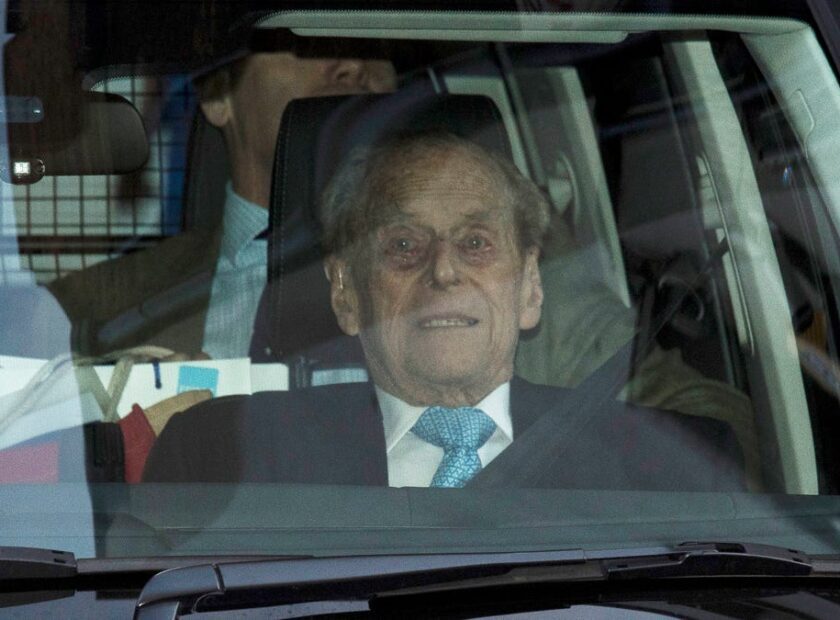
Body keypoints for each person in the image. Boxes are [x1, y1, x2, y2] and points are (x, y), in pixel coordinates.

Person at [142, 133, 745, 490]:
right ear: (346, 292)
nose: (444, 271)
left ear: (530, 288)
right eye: (404, 245)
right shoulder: (223, 459)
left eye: (476, 242)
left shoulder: (668, 469)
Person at [47, 45, 396, 358]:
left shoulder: (429, 277)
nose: (353, 65)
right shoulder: (81, 315)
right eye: (307, 41)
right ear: (218, 95)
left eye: (376, 43)